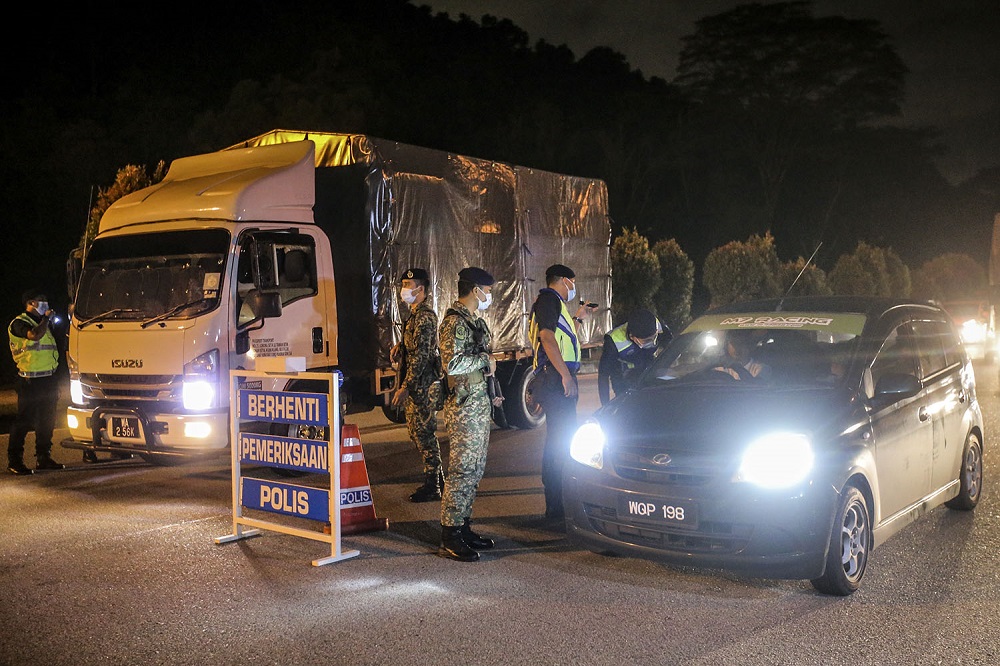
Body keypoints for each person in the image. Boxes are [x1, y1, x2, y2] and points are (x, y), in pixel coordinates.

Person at [436, 267, 502, 562]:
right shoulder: (454, 323)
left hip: (477, 404)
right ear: (476, 290)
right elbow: (452, 364)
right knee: (461, 471)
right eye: (487, 290)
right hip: (463, 409)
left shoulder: (474, 320)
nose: (489, 295)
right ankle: (449, 535)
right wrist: (484, 360)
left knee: (474, 471)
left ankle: (463, 527)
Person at [528, 264, 592, 523]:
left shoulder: (555, 304)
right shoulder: (548, 300)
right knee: (560, 444)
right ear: (565, 280)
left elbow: (561, 337)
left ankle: (559, 505)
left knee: (561, 442)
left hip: (554, 378)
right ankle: (556, 508)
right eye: (572, 282)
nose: (573, 287)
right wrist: (565, 375)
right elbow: (547, 338)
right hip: (555, 380)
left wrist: (577, 319)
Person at [390, 268, 445, 503]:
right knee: (417, 432)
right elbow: (414, 346)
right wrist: (400, 347)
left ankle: (433, 484)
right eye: (403, 283)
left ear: (420, 289)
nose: (404, 289)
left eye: (407, 284)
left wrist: (406, 387)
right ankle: (437, 479)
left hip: (422, 385)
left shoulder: (425, 316)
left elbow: (422, 355)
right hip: (416, 384)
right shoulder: (414, 314)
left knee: (424, 434)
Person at [7, 289, 65, 475]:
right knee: (24, 422)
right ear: (30, 303)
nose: (45, 304)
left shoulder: (43, 323)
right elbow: (33, 335)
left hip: (48, 379)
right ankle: (15, 461)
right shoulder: (19, 323)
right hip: (29, 380)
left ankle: (43, 457)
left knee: (47, 421)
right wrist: (46, 319)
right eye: (41, 301)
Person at [597, 308, 669, 406]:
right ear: (632, 337)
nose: (652, 342)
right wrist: (605, 406)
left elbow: (674, 348)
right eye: (646, 341)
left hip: (648, 372)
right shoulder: (613, 341)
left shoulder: (657, 326)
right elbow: (603, 375)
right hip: (622, 378)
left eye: (654, 337)